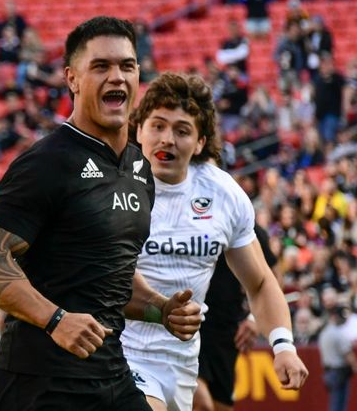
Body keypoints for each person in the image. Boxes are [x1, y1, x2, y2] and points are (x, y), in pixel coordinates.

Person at [0, 16, 202, 411]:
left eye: (127, 66)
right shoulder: (45, 162)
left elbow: (111, 274)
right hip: (41, 385)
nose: (117, 76)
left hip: (112, 376)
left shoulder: (140, 170)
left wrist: (160, 309)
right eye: (101, 66)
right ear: (72, 78)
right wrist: (55, 319)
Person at [122, 72, 309, 411]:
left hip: (183, 360)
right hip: (121, 352)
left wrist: (283, 345)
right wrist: (158, 310)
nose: (167, 139)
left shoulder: (223, 194)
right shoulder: (114, 190)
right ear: (138, 130)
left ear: (199, 142)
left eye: (182, 131)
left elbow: (261, 281)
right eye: (158, 126)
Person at [192, 224, 277, 411]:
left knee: (220, 406)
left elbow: (271, 277)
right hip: (189, 324)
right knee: (201, 403)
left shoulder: (241, 219)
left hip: (225, 331)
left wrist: (254, 318)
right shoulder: (178, 213)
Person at [318, 304, 357, 411]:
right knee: (339, 404)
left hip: (328, 372)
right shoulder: (338, 334)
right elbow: (348, 354)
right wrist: (355, 366)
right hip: (339, 373)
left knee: (334, 402)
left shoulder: (324, 333)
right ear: (335, 316)